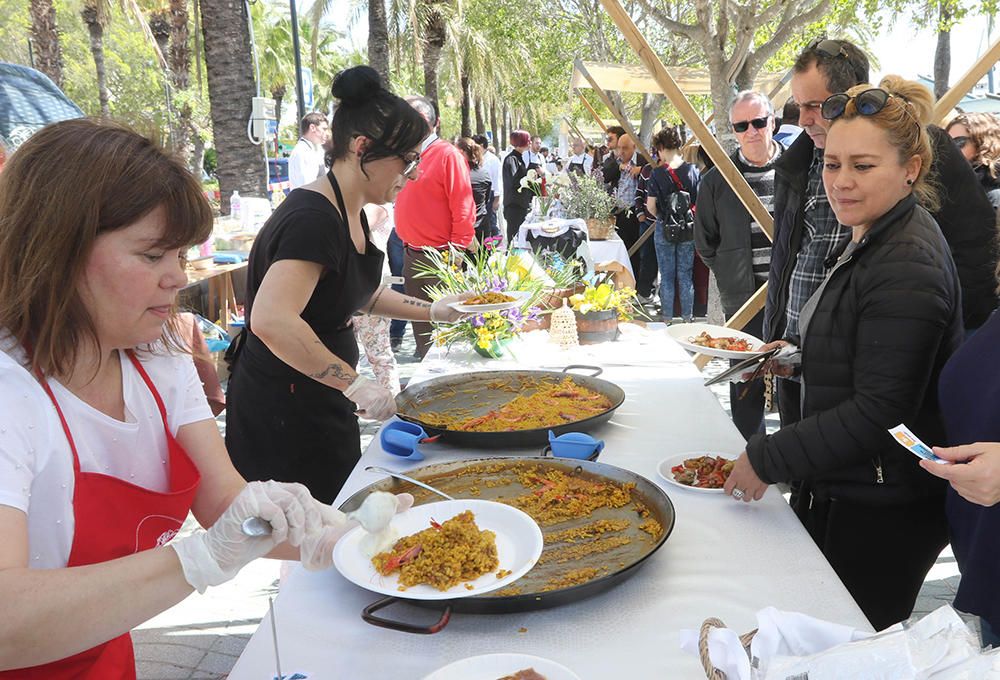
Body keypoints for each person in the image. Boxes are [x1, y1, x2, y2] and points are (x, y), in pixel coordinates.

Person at [0, 118, 407, 677]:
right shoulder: (11, 395)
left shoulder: (157, 359)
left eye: (179, 255)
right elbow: (8, 624)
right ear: (55, 251)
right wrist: (199, 559)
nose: (178, 278)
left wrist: (351, 531)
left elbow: (223, 504)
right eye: (150, 256)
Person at [726, 77, 963, 631]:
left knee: (845, 649)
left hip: (884, 505)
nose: (842, 182)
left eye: (862, 165)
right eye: (832, 165)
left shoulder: (907, 260)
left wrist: (769, 454)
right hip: (852, 485)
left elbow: (882, 411)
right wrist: (800, 354)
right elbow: (866, 347)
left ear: (911, 167)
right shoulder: (878, 231)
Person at [225, 67, 468, 503]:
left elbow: (364, 294)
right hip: (284, 407)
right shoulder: (313, 219)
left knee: (336, 515)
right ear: (363, 149)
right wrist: (354, 384)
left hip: (321, 397)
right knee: (306, 535)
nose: (411, 175)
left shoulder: (351, 210)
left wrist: (434, 310)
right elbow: (272, 320)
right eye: (407, 160)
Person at [764, 38, 998, 428]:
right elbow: (792, 259)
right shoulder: (801, 162)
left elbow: (959, 264)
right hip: (812, 365)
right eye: (834, 166)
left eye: (813, 106)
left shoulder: (914, 171)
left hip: (882, 391)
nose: (802, 119)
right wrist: (800, 351)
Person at [694, 91, 783, 440]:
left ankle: (792, 462)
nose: (752, 131)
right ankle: (750, 453)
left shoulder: (797, 172)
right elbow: (705, 242)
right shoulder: (717, 181)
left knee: (793, 381)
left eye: (759, 122)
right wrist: (732, 272)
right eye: (742, 125)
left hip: (792, 296)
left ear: (772, 122)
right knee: (746, 380)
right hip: (744, 298)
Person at [393, 95, 476, 358]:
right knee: (423, 331)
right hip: (411, 253)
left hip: (439, 256)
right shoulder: (405, 155)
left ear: (434, 123)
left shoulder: (447, 155)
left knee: (444, 334)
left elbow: (463, 204)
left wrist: (458, 249)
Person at [645, 127, 699, 323]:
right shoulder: (693, 171)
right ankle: (687, 318)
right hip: (688, 229)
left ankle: (667, 318)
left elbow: (650, 206)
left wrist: (662, 217)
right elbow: (698, 203)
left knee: (666, 276)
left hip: (664, 229)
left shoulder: (657, 174)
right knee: (685, 275)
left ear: (660, 148)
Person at [352, 203, 401, 394]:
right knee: (345, 355)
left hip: (371, 289)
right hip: (342, 288)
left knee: (379, 355)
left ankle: (393, 410)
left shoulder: (379, 205)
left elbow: (356, 225)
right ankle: (351, 408)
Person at [946, 112, 1000, 211]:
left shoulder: (995, 194)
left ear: (982, 143)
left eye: (959, 142)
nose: (952, 149)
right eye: (948, 143)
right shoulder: (951, 184)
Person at [612, 134, 649, 277]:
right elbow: (605, 173)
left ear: (634, 147)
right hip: (618, 212)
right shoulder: (616, 161)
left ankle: (634, 280)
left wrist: (641, 170)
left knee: (635, 250)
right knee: (621, 248)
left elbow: (653, 172)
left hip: (634, 212)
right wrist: (618, 166)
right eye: (619, 148)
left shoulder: (642, 161)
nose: (622, 152)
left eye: (625, 148)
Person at [457, 137, 493, 242]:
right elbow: (486, 199)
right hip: (482, 224)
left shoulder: (458, 175)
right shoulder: (484, 174)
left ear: (461, 152)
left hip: (465, 228)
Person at [502, 130, 532, 243]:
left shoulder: (519, 158)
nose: (530, 143)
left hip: (520, 205)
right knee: (514, 239)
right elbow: (514, 182)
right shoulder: (511, 160)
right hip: (514, 206)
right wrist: (529, 179)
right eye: (528, 141)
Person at [288, 112, 329, 189]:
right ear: (312, 128)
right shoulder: (302, 152)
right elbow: (307, 187)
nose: (327, 133)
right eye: (324, 129)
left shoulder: (318, 150)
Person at [473, 134, 502, 236]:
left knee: (491, 222)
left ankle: (494, 243)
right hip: (480, 194)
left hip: (491, 194)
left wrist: (497, 199)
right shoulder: (476, 159)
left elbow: (497, 180)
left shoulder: (492, 160)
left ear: (481, 145)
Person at [601, 126, 626, 191]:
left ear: (620, 139)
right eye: (607, 139)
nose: (607, 141)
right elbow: (604, 178)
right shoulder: (608, 158)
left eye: (610, 139)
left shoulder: (632, 158)